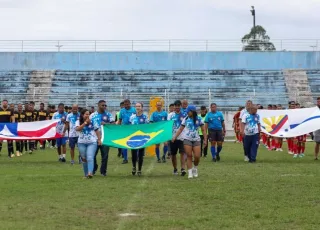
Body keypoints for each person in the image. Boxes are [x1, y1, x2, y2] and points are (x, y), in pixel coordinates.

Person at [172, 105, 207, 179]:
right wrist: (175, 137)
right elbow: (180, 129)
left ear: (192, 111)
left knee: (197, 156)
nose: (187, 112)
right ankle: (190, 172)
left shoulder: (199, 119)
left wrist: (205, 139)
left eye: (188, 111)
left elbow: (203, 130)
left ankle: (195, 168)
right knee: (189, 155)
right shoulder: (185, 119)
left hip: (196, 139)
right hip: (187, 139)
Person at [91, 100, 114, 176]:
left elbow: (113, 125)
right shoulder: (93, 115)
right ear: (98, 105)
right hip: (94, 138)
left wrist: (106, 124)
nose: (104, 107)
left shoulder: (108, 115)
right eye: (102, 105)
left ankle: (103, 171)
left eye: (105, 105)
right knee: (93, 155)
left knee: (105, 156)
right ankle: (94, 168)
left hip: (105, 138)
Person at [76, 109, 101, 179]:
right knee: (84, 158)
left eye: (88, 114)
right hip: (81, 143)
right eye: (86, 114)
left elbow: (97, 130)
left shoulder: (93, 121)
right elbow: (77, 129)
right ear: (82, 115)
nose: (87, 115)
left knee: (90, 157)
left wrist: (99, 139)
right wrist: (85, 123)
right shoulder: (78, 122)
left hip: (92, 142)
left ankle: (90, 172)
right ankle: (86, 174)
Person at [129, 102, 149, 176]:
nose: (137, 107)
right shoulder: (132, 117)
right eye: (136, 106)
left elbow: (147, 127)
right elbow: (130, 128)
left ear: (142, 108)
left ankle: (139, 169)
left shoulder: (145, 117)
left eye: (139, 106)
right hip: (133, 139)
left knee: (141, 154)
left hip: (142, 138)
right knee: (134, 154)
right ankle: (134, 166)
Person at [168, 100, 187, 176]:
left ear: (180, 106)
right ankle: (175, 169)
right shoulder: (170, 115)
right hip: (173, 138)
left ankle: (182, 168)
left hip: (182, 137)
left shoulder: (184, 114)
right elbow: (168, 126)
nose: (177, 107)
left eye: (179, 106)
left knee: (182, 153)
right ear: (174, 107)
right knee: (173, 155)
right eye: (176, 106)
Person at [118, 99, 136, 164]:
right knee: (124, 144)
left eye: (127, 104)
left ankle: (135, 157)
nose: (126, 105)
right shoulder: (122, 111)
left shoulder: (134, 110)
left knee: (133, 143)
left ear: (130, 104)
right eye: (125, 104)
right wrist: (118, 127)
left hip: (132, 129)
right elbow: (120, 120)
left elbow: (137, 118)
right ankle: (125, 158)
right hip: (124, 129)